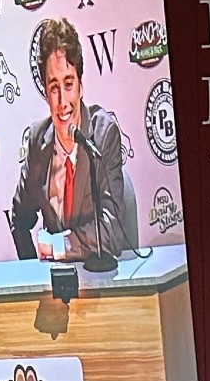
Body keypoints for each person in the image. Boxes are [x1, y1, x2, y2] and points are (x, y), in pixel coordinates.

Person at [10, 17, 127, 261]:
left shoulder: (104, 134)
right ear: (45, 93)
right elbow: (20, 219)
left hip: (101, 283)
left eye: (68, 84)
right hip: (57, 289)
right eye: (54, 87)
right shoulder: (37, 142)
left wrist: (56, 246)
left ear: (81, 86)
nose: (63, 102)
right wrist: (34, 273)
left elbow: (113, 231)